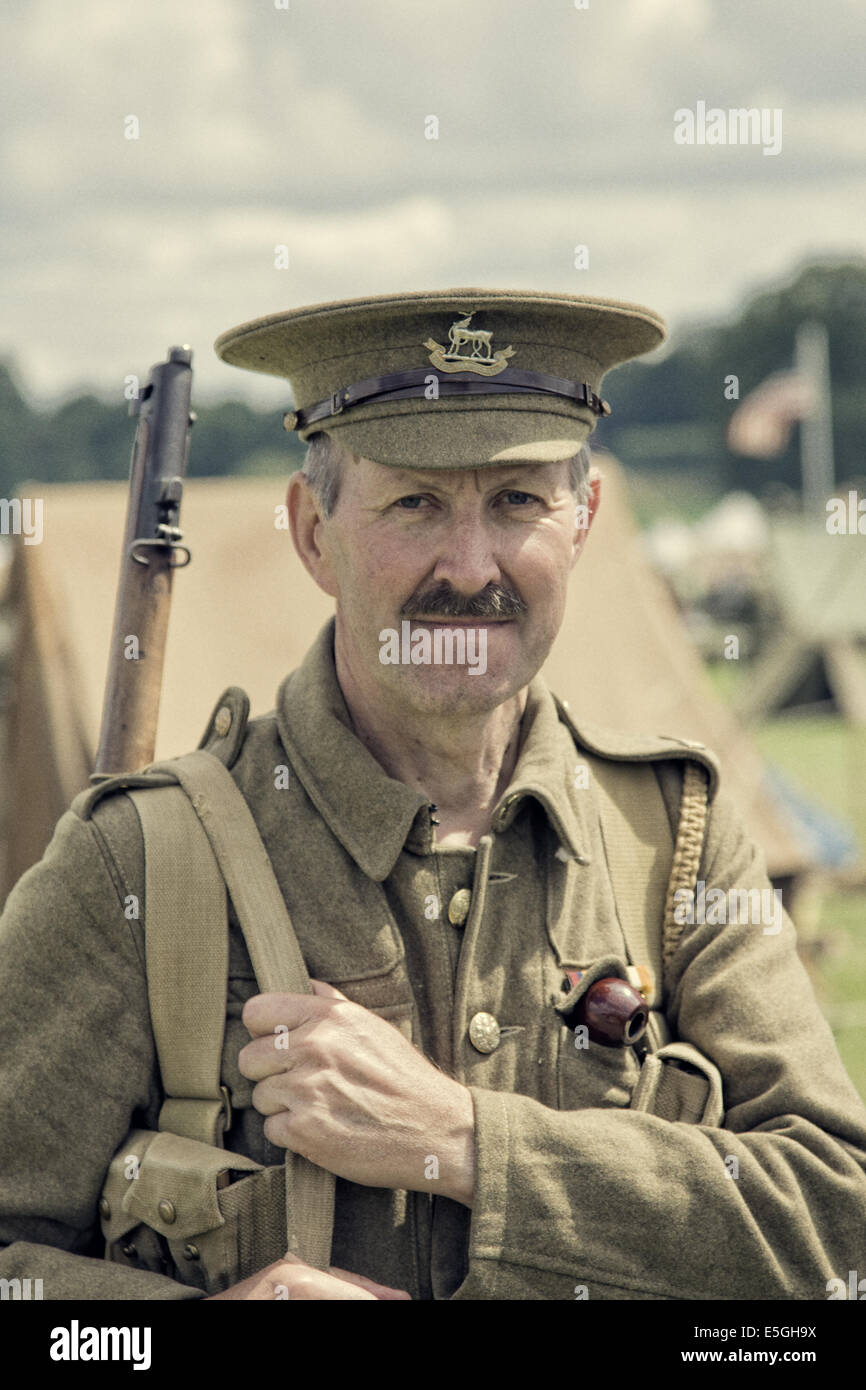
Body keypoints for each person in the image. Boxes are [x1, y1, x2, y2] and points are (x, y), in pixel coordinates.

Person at [1, 288, 865, 1301]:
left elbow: (834, 1227)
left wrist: (463, 1143)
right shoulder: (138, 862)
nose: (469, 567)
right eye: (414, 502)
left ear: (582, 520)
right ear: (313, 532)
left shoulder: (672, 834)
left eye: (515, 501)